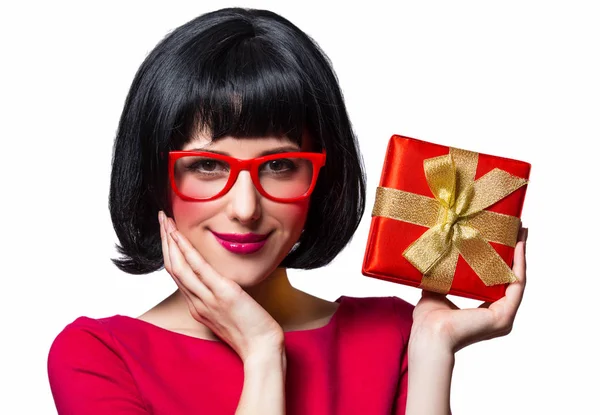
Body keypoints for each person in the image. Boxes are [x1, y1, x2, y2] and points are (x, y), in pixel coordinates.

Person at [46, 7, 528, 415]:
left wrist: (432, 352)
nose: (245, 207)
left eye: (279, 165)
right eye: (208, 166)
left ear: (322, 178)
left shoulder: (392, 336)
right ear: (155, 177)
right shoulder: (99, 356)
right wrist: (261, 351)